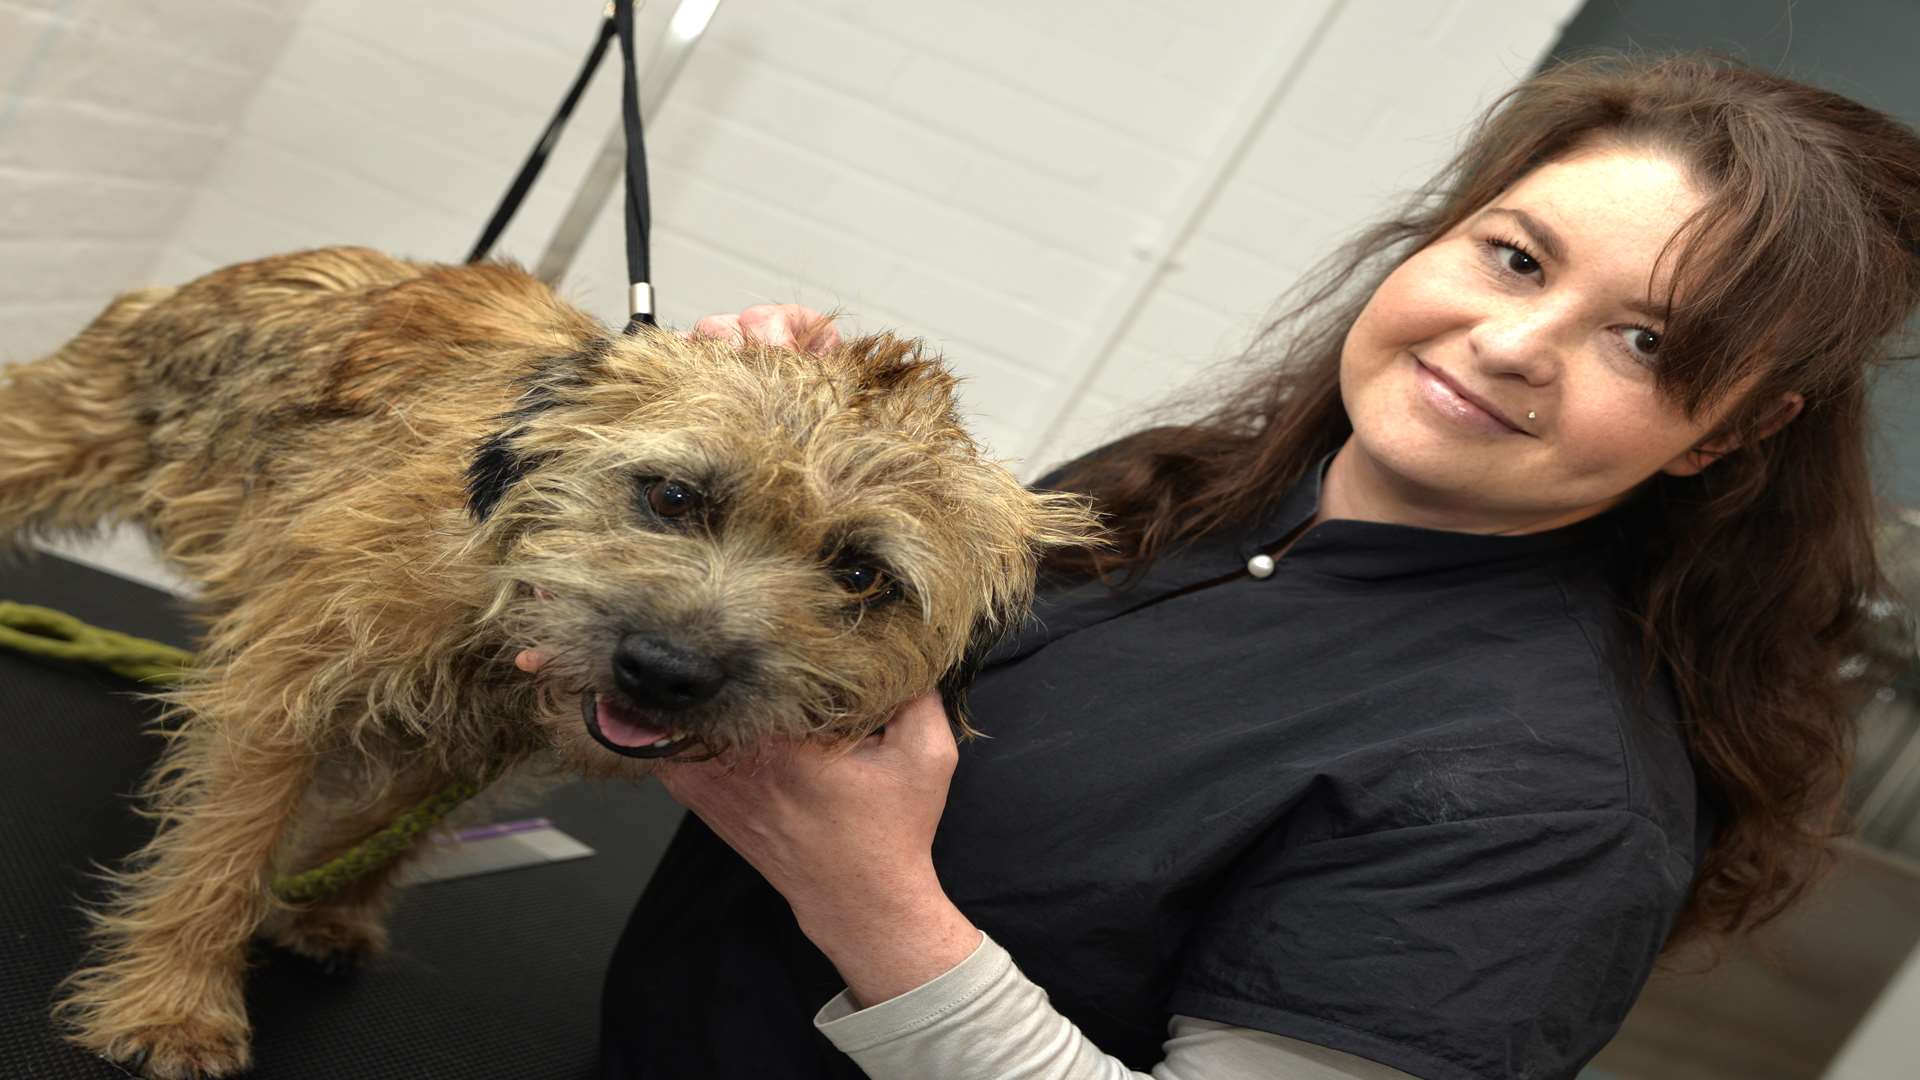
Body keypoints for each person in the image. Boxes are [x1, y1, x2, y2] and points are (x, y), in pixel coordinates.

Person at [539, 52, 1920, 1079]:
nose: (1512, 341)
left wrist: (871, 900)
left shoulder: (1548, 806)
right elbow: (819, 707)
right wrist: (737, 474)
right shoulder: (1173, 485)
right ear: (1434, 240)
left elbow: (852, 839)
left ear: (1729, 432)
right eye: (1514, 256)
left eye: (1647, 342)